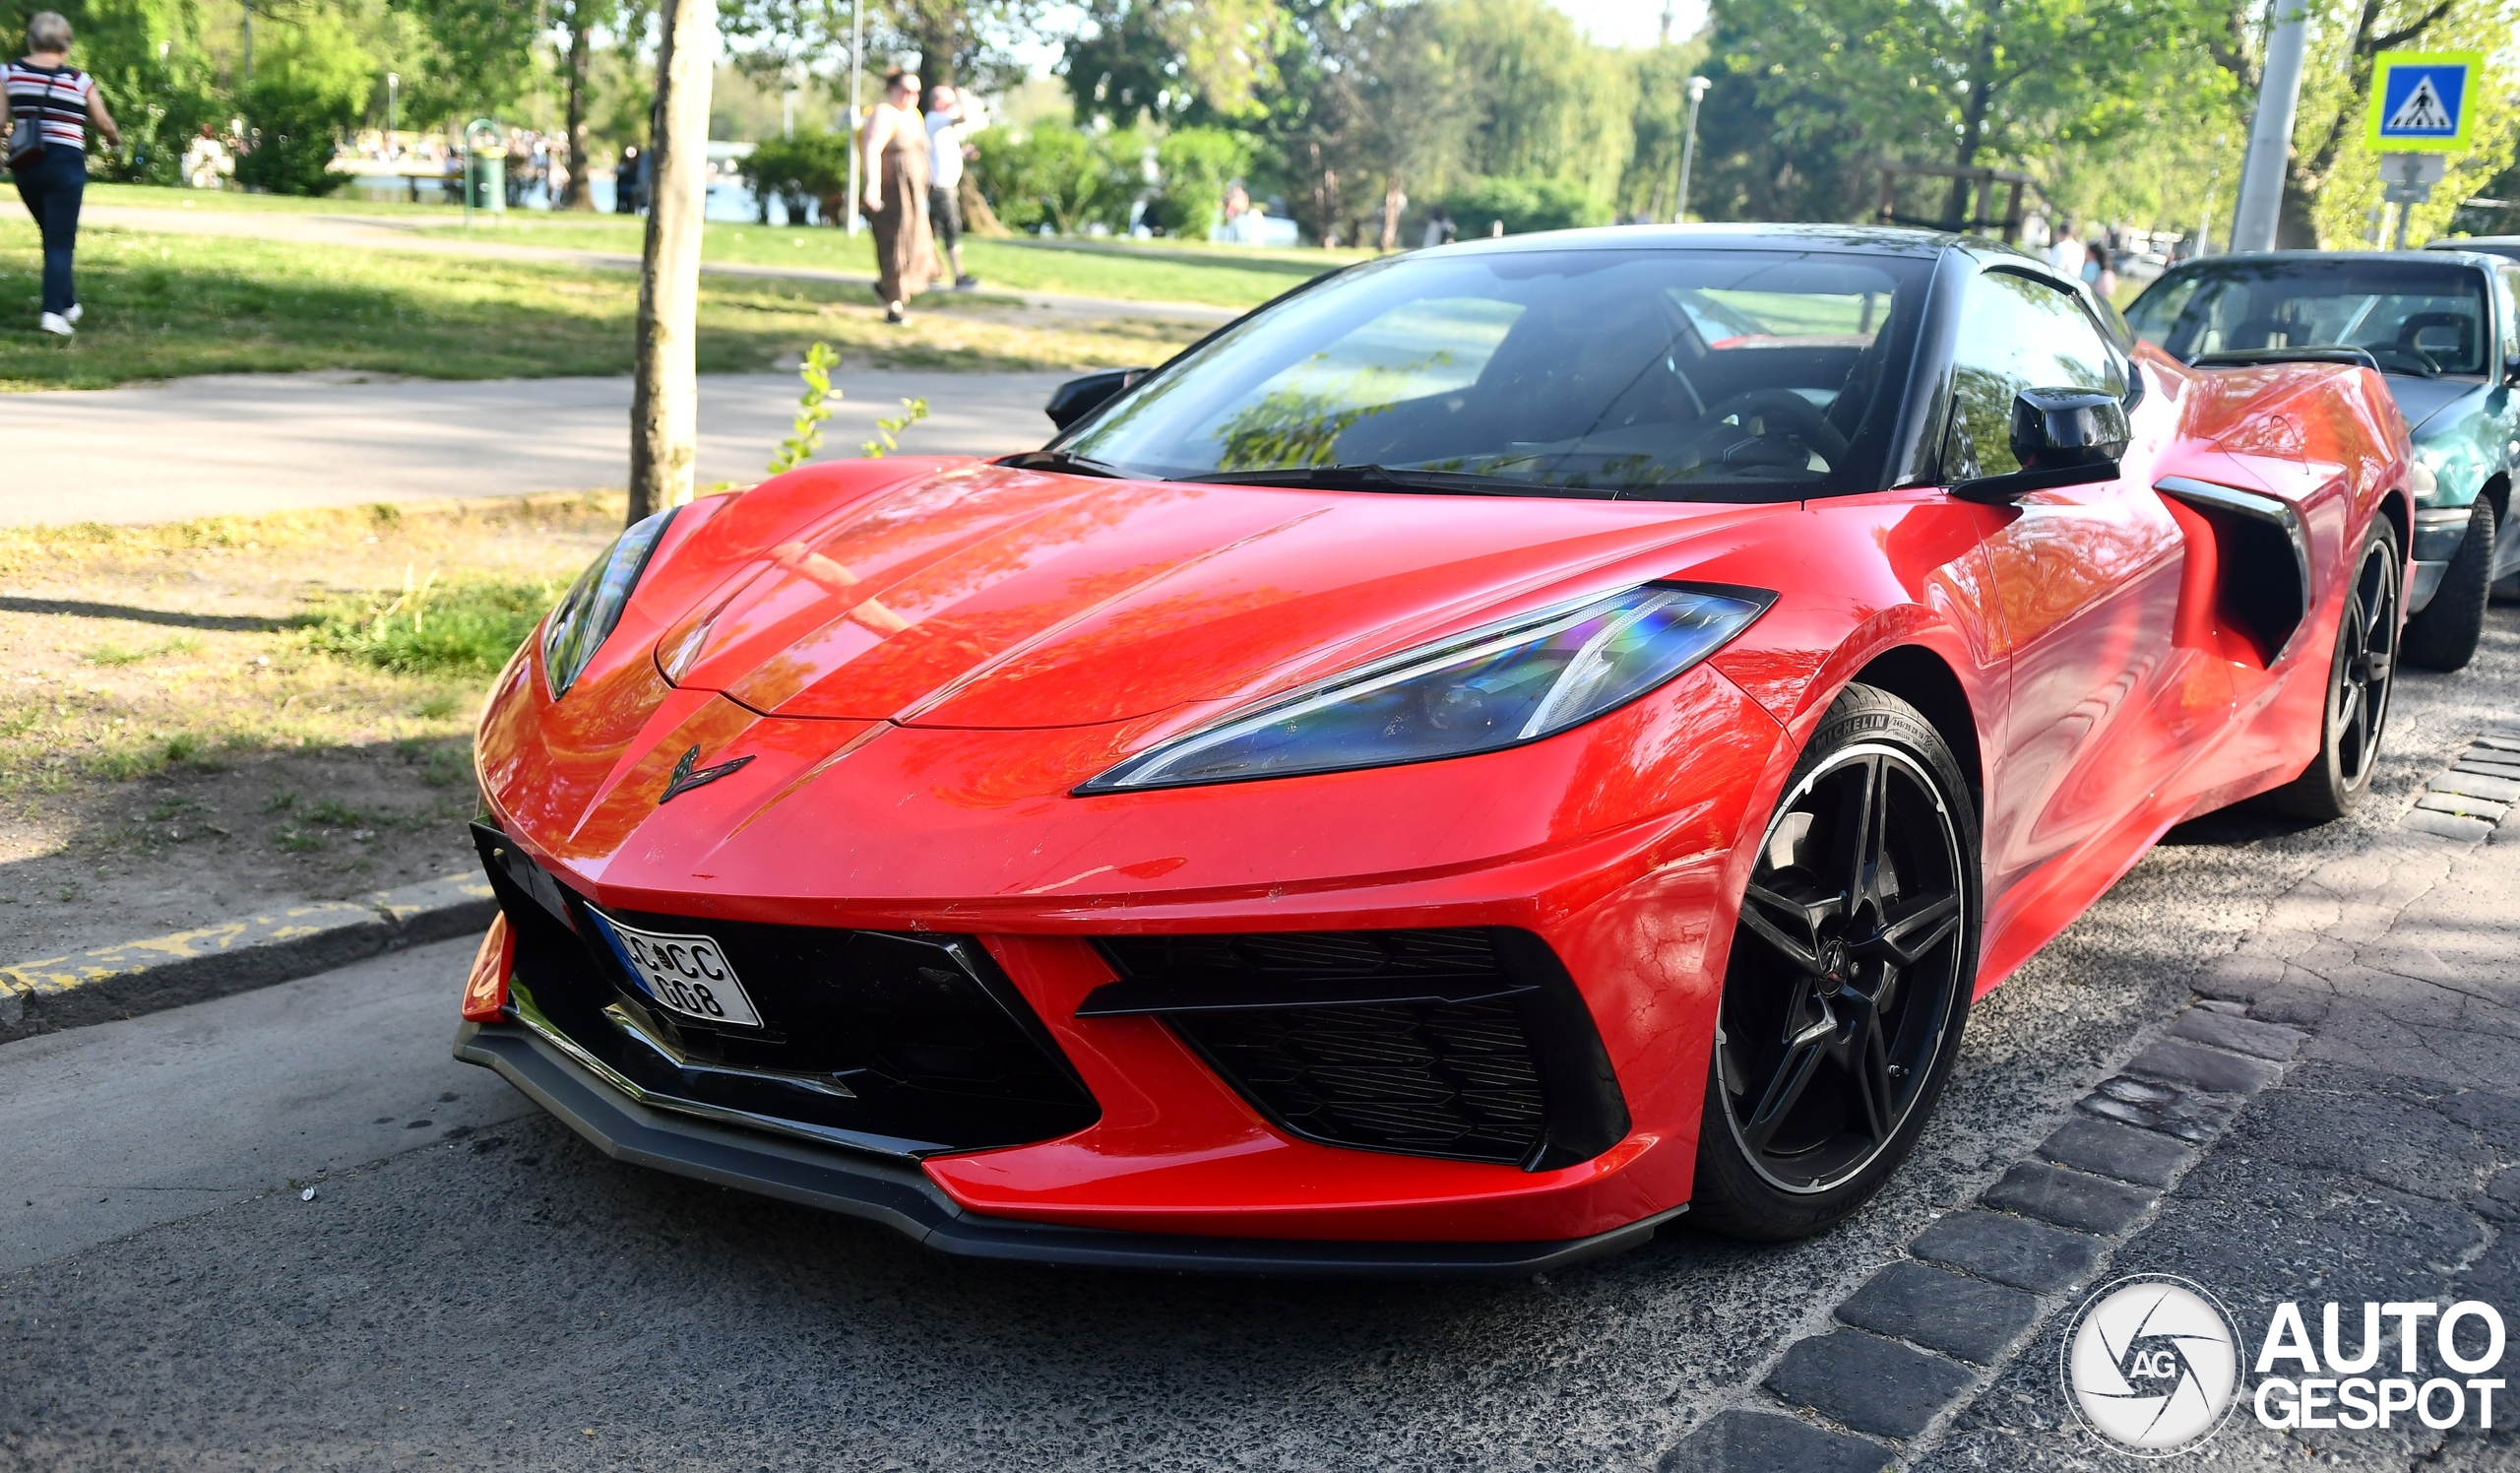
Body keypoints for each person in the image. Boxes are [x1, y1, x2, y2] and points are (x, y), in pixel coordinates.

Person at [2, 12, 117, 338]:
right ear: (66, 45)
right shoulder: (79, 79)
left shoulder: (8, 72)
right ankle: (52, 313)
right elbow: (103, 121)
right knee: (60, 240)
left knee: (52, 234)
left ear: (31, 40)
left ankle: (67, 302)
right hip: (65, 164)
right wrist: (114, 139)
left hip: (27, 162)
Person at [859, 69, 933, 323]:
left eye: (917, 92)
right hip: (893, 193)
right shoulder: (884, 113)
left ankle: (893, 289)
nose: (912, 96)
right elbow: (871, 147)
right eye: (907, 90)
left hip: (914, 196)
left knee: (915, 243)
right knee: (895, 245)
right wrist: (873, 186)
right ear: (893, 89)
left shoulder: (914, 116)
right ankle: (894, 303)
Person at [924, 84, 979, 289]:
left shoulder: (940, 124)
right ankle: (958, 274)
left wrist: (963, 154)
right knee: (950, 228)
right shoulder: (935, 118)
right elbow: (963, 117)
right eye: (949, 103)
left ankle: (927, 272)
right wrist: (963, 98)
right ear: (939, 103)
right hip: (942, 188)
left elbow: (942, 152)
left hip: (945, 186)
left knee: (934, 231)